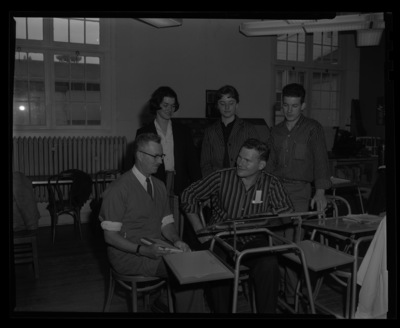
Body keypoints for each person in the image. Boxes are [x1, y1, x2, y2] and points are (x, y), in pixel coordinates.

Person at [180, 138, 294, 313]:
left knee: (269, 265)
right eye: (239, 157)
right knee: (217, 267)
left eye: (247, 160)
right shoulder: (221, 177)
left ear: (261, 165)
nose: (239, 163)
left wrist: (267, 219)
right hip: (220, 237)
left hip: (253, 238)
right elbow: (188, 195)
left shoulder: (271, 183)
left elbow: (288, 213)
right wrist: (199, 231)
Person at [98, 133, 205, 313]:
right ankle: (168, 302)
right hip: (129, 255)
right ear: (140, 155)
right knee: (186, 271)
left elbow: (167, 224)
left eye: (161, 156)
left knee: (193, 265)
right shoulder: (118, 189)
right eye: (155, 156)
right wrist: (143, 250)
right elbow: (110, 237)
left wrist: (177, 241)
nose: (160, 161)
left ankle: (164, 301)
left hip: (156, 248)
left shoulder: (159, 186)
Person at [265, 83, 331, 305]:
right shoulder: (275, 131)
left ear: (303, 105)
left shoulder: (313, 128)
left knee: (293, 247)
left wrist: (320, 192)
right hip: (276, 190)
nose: (289, 110)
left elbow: (322, 161)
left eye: (294, 106)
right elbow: (270, 165)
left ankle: (293, 297)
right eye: (285, 105)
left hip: (301, 192)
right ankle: (286, 290)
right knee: (276, 244)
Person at [136, 86, 201, 197]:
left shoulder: (183, 131)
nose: (169, 109)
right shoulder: (144, 132)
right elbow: (138, 165)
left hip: (180, 188)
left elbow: (193, 163)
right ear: (156, 105)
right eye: (165, 105)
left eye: (172, 106)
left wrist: (200, 189)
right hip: (153, 187)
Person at [200, 85, 268, 178]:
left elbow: (256, 160)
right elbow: (205, 164)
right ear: (217, 106)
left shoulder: (248, 129)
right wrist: (214, 183)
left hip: (243, 182)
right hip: (216, 183)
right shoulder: (210, 132)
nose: (227, 107)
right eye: (222, 103)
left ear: (237, 105)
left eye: (231, 103)